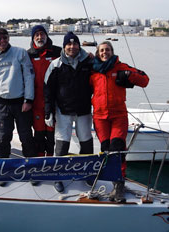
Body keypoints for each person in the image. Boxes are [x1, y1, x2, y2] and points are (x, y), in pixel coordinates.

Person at [90, 41, 149, 203]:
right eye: (101, 50)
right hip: (100, 117)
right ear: (97, 53)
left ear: (112, 51)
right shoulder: (92, 70)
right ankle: (109, 179)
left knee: (117, 148)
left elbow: (145, 80)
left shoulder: (121, 66)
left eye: (107, 50)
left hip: (118, 116)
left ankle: (119, 184)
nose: (104, 53)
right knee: (106, 150)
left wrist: (130, 76)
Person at [44, 31, 94, 193]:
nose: (72, 47)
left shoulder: (89, 62)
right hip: (63, 110)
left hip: (83, 110)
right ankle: (57, 176)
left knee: (86, 142)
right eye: (69, 44)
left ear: (79, 45)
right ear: (64, 46)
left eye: (75, 44)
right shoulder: (55, 65)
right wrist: (48, 112)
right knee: (62, 143)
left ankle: (87, 173)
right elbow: (48, 91)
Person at [0, 28, 36, 160]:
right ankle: (3, 165)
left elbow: (29, 77)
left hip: (21, 104)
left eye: (5, 37)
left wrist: (29, 100)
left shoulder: (20, 53)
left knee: (26, 136)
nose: (2, 41)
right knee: (3, 137)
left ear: (8, 38)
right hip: (2, 105)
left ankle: (31, 166)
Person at [27, 25, 62, 157]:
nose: (40, 37)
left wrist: (89, 56)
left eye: (42, 34)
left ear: (47, 36)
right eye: (37, 35)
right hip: (36, 101)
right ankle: (40, 160)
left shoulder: (57, 52)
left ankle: (53, 159)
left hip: (54, 101)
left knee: (52, 134)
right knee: (39, 133)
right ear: (33, 38)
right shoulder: (28, 55)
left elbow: (74, 52)